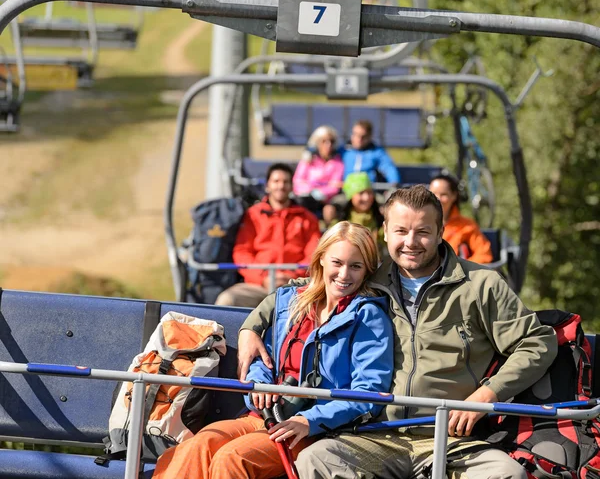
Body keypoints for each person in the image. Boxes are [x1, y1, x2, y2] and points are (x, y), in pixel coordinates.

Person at [237, 185, 557, 479]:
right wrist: (251, 327)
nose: (411, 242)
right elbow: (305, 287)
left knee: (506, 475)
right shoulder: (370, 275)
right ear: (386, 231)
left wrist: (486, 395)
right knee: (315, 460)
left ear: (441, 232)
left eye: (423, 232)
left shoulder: (481, 285)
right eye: (401, 230)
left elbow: (537, 342)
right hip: (373, 434)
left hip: (451, 439)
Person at [152, 222, 394, 479]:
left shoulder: (368, 317)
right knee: (196, 447)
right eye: (337, 262)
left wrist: (308, 421)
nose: (344, 275)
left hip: (315, 428)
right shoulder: (292, 302)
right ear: (321, 259)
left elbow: (368, 392)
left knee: (232, 459)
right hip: (264, 416)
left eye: (355, 266)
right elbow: (264, 359)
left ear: (367, 269)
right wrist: (259, 386)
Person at [215, 163, 321, 308]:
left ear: (291, 186)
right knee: (227, 300)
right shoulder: (253, 215)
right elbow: (242, 252)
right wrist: (263, 277)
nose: (281, 186)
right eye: (276, 181)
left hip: (296, 287)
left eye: (285, 182)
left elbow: (314, 255)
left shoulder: (307, 218)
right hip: (258, 286)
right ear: (268, 186)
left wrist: (292, 276)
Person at [429, 173, 493, 264]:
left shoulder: (466, 226)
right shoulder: (417, 222)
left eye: (443, 194)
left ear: (454, 196)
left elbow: (484, 254)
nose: (438, 199)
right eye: (433, 194)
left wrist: (461, 268)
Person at [326, 172, 385, 254]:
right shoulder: (339, 222)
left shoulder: (380, 219)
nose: (366, 197)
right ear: (351, 196)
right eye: (361, 193)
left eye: (369, 192)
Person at [293, 125, 344, 220]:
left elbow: (335, 186)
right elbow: (298, 181)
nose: (328, 145)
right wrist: (310, 191)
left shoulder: (338, 163)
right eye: (324, 141)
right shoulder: (307, 160)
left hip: (325, 201)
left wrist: (320, 192)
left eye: (331, 141)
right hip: (306, 198)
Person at [342, 120, 400, 185]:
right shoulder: (343, 151)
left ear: (369, 137)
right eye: (355, 134)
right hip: (345, 190)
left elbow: (388, 168)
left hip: (369, 191)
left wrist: (394, 182)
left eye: (363, 137)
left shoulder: (377, 152)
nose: (359, 139)